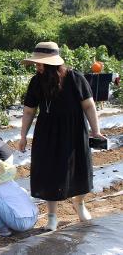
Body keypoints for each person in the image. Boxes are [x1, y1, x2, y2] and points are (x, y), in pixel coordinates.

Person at [18, 41, 105, 231]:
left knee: (80, 168)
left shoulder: (75, 78)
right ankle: (52, 217)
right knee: (50, 171)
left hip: (73, 131)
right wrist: (23, 135)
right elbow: (28, 111)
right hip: (47, 132)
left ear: (50, 64)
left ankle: (79, 204)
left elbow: (89, 106)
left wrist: (95, 131)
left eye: (39, 63)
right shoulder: (36, 81)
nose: (37, 66)